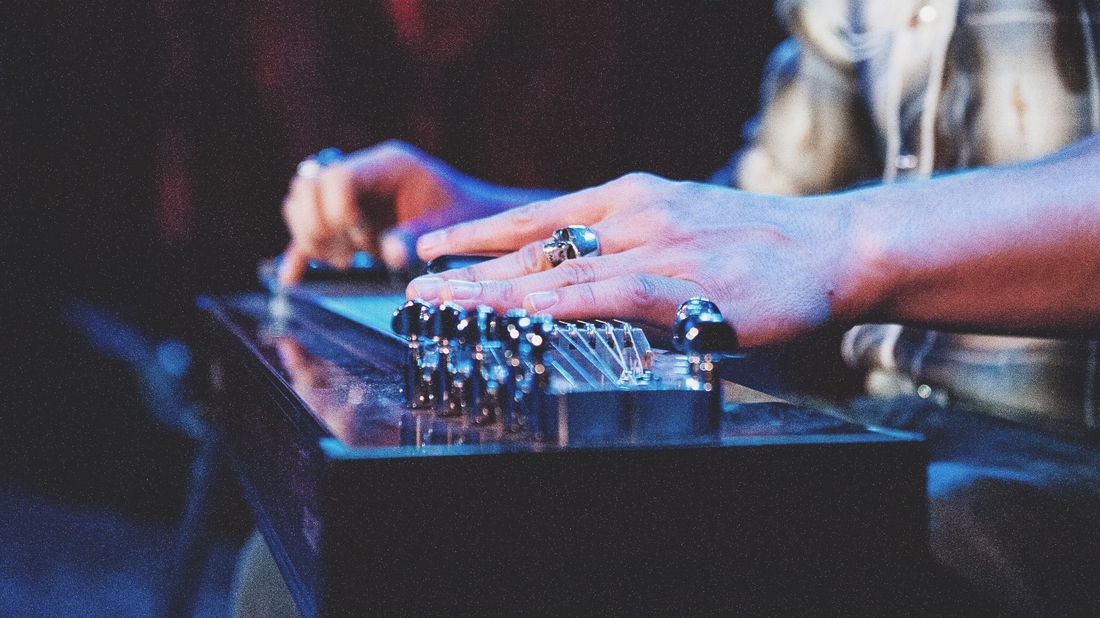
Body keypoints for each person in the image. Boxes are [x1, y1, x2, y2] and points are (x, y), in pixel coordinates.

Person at [272, 1, 1100, 615]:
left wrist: (841, 241)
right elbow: (761, 221)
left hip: (1062, 443)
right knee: (313, 567)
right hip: (880, 419)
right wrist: (491, 221)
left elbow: (810, 239)